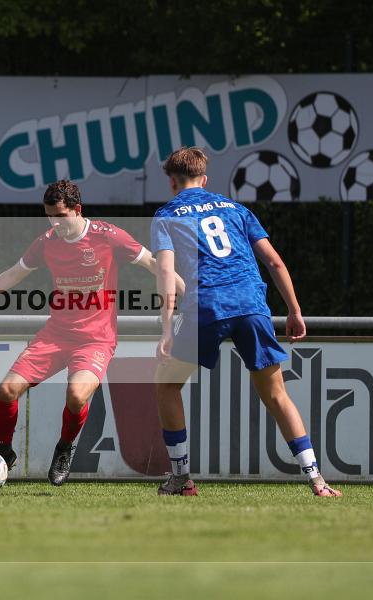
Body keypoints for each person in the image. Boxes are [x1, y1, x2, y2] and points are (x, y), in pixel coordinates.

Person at [0, 180, 184, 486]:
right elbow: (13, 273)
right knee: (6, 391)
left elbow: (154, 263)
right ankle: (3, 452)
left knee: (76, 394)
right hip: (55, 335)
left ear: (77, 210)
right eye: (48, 216)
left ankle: (65, 447)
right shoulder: (46, 242)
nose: (54, 223)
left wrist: (189, 292)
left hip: (96, 339)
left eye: (59, 216)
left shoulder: (107, 236)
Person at [150, 147, 341, 498]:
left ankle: (180, 478)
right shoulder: (236, 209)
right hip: (252, 304)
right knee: (275, 394)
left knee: (166, 385)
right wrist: (295, 309)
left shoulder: (167, 214)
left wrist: (166, 327)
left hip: (205, 306)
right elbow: (275, 262)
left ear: (172, 182)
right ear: (205, 179)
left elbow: (165, 271)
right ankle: (317, 480)